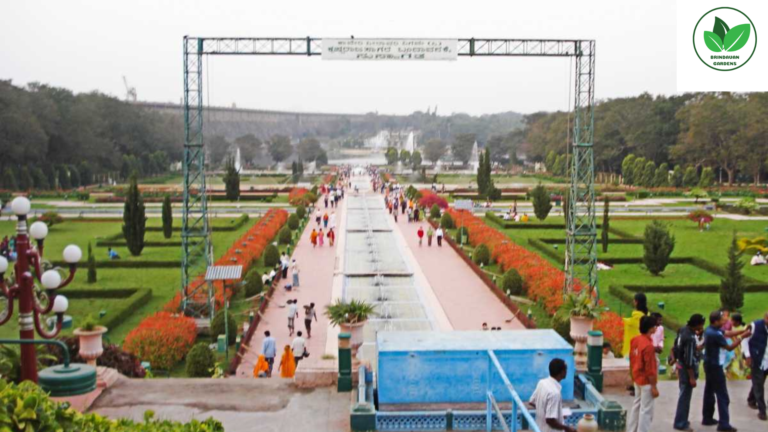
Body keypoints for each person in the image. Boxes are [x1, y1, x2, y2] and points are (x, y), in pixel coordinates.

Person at [701, 310, 751, 431]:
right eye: (722, 319)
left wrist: (743, 330)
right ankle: (724, 424)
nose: (724, 321)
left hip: (709, 365)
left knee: (709, 392)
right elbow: (729, 347)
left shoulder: (711, 329)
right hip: (715, 367)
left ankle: (707, 418)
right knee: (723, 396)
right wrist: (741, 337)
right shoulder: (715, 334)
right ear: (716, 321)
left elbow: (728, 333)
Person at [672, 313, 706, 431]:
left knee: (683, 394)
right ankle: (681, 423)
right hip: (687, 370)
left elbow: (676, 346)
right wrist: (692, 377)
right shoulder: (690, 338)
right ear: (697, 325)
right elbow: (689, 361)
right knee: (685, 396)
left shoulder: (682, 330)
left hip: (681, 366)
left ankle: (682, 419)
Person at [627, 316, 660, 432]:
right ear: (651, 329)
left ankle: (631, 429)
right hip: (646, 381)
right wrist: (654, 387)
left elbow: (631, 359)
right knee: (646, 410)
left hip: (637, 377)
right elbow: (650, 369)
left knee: (636, 405)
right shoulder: (648, 346)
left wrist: (632, 375)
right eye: (654, 326)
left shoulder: (635, 340)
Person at [529, 358, 576, 432]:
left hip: (539, 428)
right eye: (566, 369)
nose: (566, 372)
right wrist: (567, 428)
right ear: (562, 372)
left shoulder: (542, 383)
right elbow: (550, 420)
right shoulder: (554, 393)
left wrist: (554, 413)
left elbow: (532, 401)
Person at [744, 311, 768, 421]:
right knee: (759, 384)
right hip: (756, 358)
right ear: (765, 319)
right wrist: (748, 356)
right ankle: (762, 411)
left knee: (759, 382)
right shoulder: (754, 326)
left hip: (767, 360)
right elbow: (744, 340)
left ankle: (751, 399)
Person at [726, 313, 748, 380]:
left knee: (738, 367)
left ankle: (738, 380)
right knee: (729, 367)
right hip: (730, 352)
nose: (730, 321)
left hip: (739, 352)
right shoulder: (731, 328)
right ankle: (731, 379)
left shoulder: (743, 328)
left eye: (732, 320)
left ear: (737, 322)